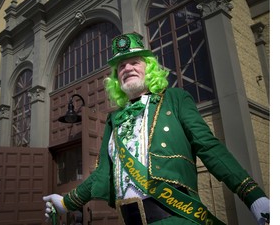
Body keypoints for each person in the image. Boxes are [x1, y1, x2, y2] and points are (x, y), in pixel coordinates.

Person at [43, 32, 270, 225]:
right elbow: (103, 173)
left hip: (176, 217)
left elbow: (209, 148)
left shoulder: (175, 99)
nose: (127, 68)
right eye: (121, 65)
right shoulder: (114, 119)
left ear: (148, 67)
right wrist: (65, 203)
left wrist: (252, 195)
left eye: (135, 62)